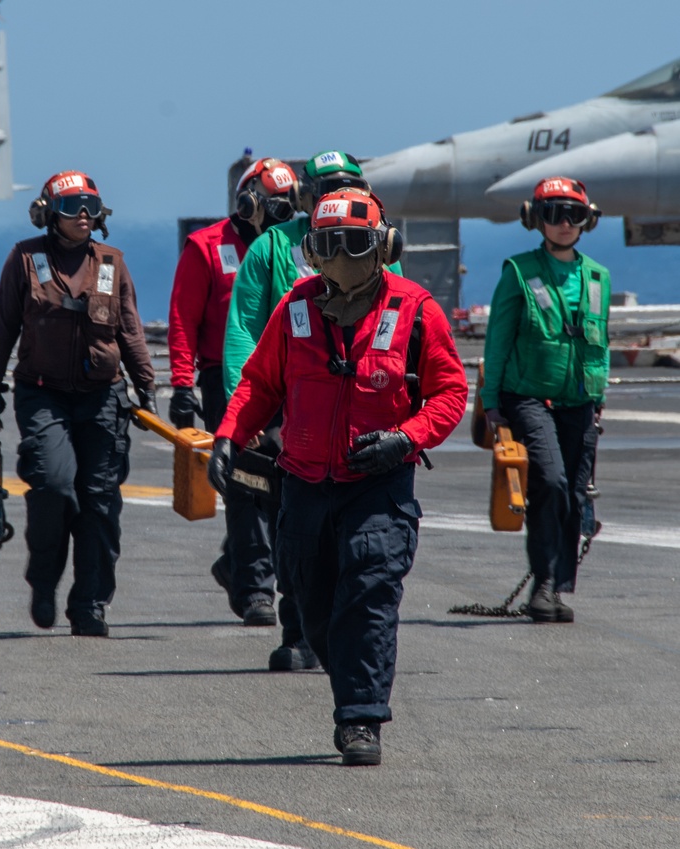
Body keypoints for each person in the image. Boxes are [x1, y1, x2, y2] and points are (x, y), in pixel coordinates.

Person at [210, 189, 467, 765]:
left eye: (354, 243)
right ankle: (350, 679)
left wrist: (407, 437)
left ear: (383, 247)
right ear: (311, 252)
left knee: (370, 595)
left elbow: (450, 393)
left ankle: (360, 719)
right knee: (313, 603)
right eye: (328, 245)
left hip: (378, 484)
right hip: (302, 484)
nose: (341, 257)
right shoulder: (295, 309)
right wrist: (228, 435)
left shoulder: (416, 309)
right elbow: (259, 384)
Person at [222, 150, 395, 672]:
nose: (342, 193)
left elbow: (400, 324)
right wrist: (242, 420)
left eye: (351, 184)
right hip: (288, 416)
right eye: (329, 186)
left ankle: (346, 630)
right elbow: (242, 334)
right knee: (293, 529)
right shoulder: (272, 247)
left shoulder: (377, 244)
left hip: (361, 418)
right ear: (305, 195)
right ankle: (298, 631)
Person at [0, 170, 157, 637]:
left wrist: (148, 388)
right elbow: (4, 329)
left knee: (99, 502)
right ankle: (43, 581)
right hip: (42, 393)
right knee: (55, 487)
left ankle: (90, 604)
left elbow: (131, 331)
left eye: (90, 205)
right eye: (72, 204)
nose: (83, 213)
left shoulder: (111, 263)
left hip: (102, 396)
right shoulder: (24, 258)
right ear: (47, 213)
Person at [167, 157, 298, 628]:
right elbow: (182, 321)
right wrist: (182, 385)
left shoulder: (292, 248)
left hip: (288, 377)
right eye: (273, 202)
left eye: (289, 202)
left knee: (283, 483)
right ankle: (256, 589)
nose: (282, 211)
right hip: (229, 378)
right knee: (246, 486)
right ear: (248, 202)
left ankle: (238, 563)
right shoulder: (206, 248)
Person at [481, 176, 608, 624]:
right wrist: (490, 401)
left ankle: (554, 587)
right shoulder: (518, 271)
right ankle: (544, 585)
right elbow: (498, 339)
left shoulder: (597, 277)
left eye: (573, 214)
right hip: (528, 398)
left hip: (579, 403)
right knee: (549, 482)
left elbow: (600, 343)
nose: (564, 223)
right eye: (553, 214)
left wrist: (599, 397)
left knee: (573, 495)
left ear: (587, 219)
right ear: (535, 220)